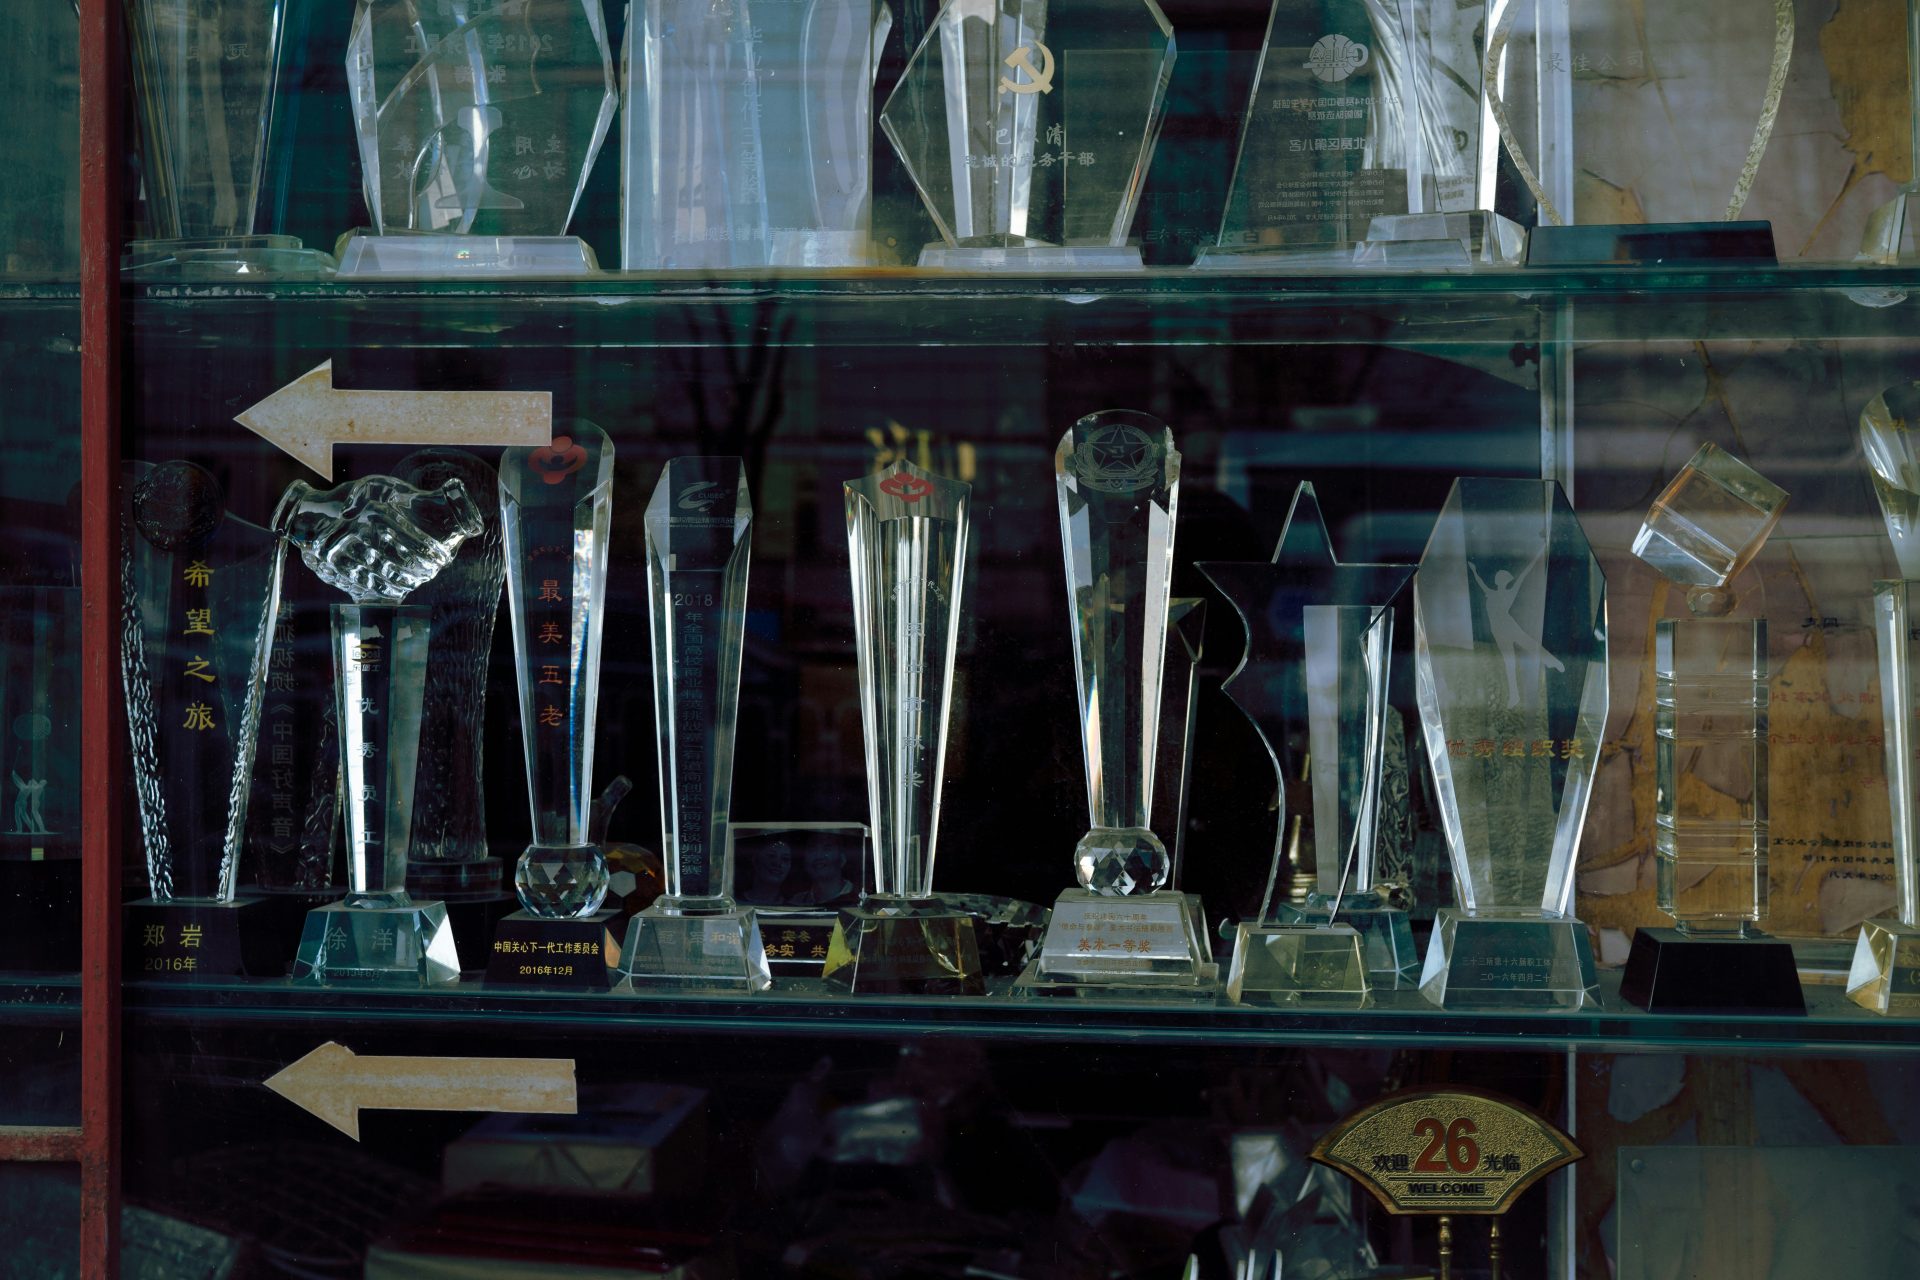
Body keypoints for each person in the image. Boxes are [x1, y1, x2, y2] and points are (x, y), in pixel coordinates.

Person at [788, 845, 857, 907]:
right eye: (812, 850)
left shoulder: (860, 899)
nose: (819, 856)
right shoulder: (796, 902)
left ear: (842, 859)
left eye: (827, 849)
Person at [740, 838, 793, 904]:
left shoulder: (793, 905)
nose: (777, 863)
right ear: (755, 860)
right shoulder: (735, 901)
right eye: (771, 856)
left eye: (785, 859)